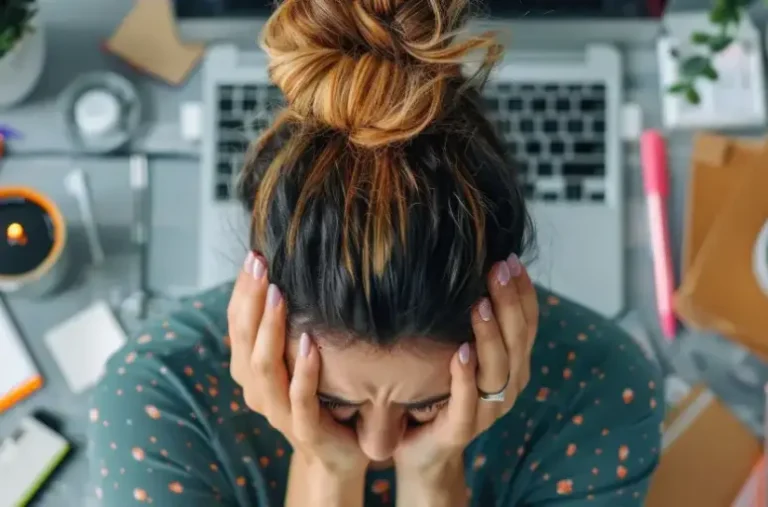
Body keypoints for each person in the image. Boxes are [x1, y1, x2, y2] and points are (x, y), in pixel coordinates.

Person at [88, 0, 663, 505]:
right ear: (261, 309)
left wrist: (433, 476)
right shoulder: (156, 397)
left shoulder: (601, 387)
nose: (378, 447)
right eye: (336, 406)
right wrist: (323, 468)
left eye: (428, 407)